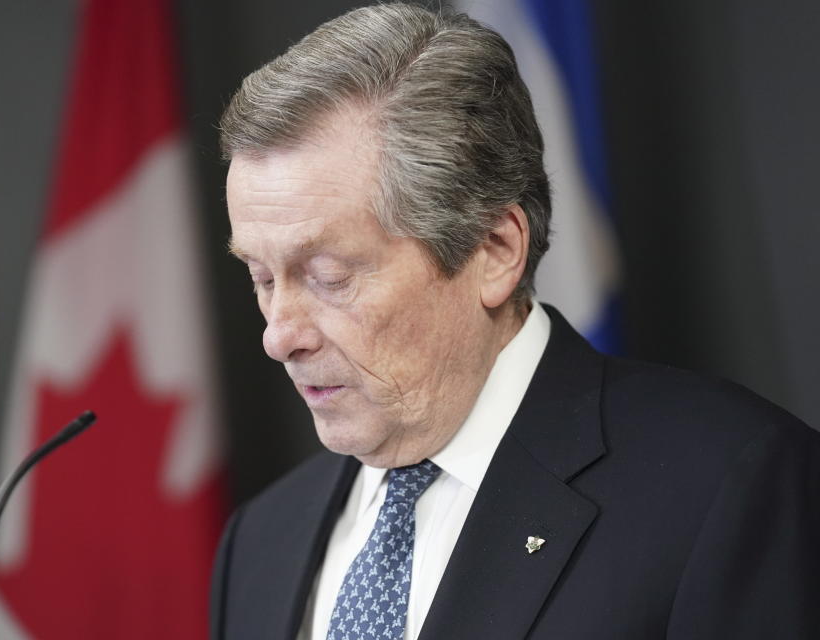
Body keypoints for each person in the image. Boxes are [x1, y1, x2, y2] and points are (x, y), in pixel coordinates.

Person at [210, 4, 820, 639]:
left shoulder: (723, 487)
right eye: (259, 277)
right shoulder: (260, 541)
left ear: (495, 251)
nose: (278, 335)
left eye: (330, 276)